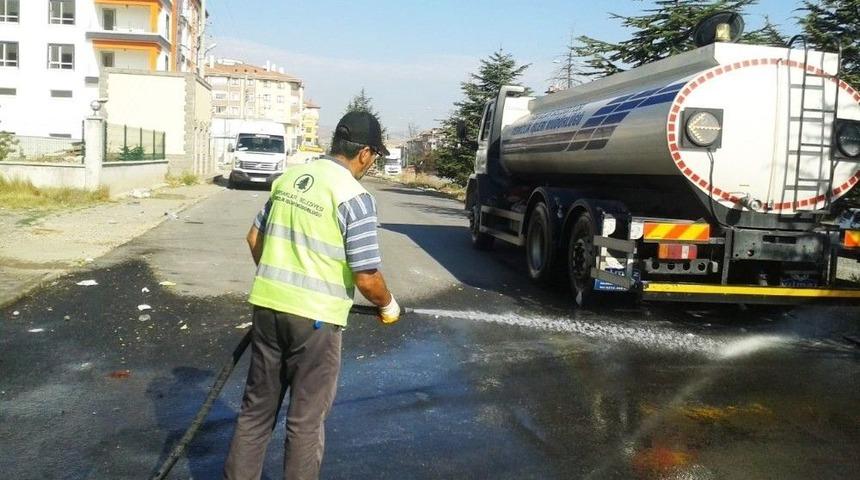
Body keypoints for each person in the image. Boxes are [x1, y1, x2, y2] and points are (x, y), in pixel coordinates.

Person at [223, 111, 401, 480]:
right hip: (315, 323)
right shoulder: (354, 196)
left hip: (268, 308)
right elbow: (367, 277)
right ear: (365, 153)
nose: (371, 164)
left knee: (256, 412)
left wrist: (280, 282)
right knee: (305, 421)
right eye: (374, 157)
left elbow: (254, 239)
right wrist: (387, 304)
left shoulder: (289, 179)